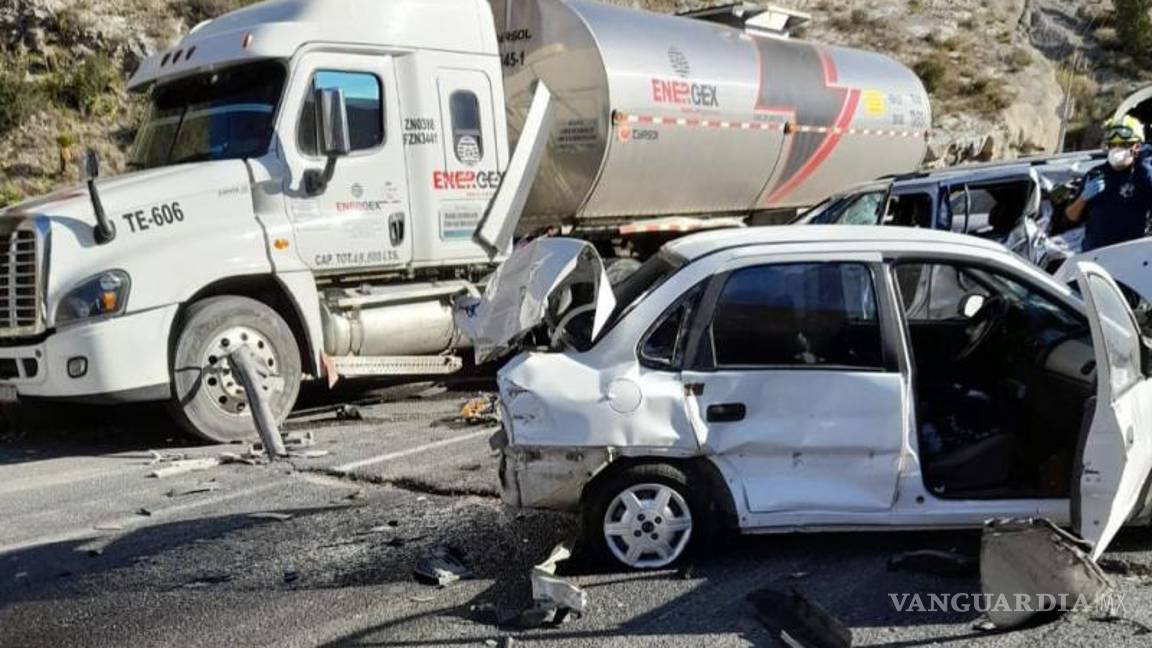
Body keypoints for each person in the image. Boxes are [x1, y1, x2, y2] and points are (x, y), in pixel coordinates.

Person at [1066, 115, 1152, 251]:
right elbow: (1071, 216)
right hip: (1092, 257)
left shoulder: (1143, 176)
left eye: (1124, 144)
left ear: (1136, 147)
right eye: (1114, 144)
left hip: (1128, 257)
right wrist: (1083, 198)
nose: (1117, 149)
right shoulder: (1095, 174)